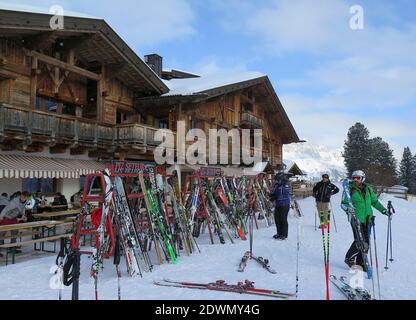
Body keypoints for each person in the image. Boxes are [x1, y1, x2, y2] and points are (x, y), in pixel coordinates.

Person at [341, 170, 388, 270]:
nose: (355, 179)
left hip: (368, 219)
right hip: (355, 219)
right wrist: (348, 209)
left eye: (358, 178)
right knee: (360, 241)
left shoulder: (368, 189)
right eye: (353, 177)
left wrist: (384, 210)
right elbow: (343, 204)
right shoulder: (349, 189)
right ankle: (349, 258)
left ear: (363, 178)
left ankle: (361, 262)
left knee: (366, 242)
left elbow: (375, 202)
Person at [0, 191, 29, 255]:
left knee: (15, 232)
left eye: (25, 197)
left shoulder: (25, 201)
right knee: (1, 233)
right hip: (6, 217)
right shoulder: (14, 202)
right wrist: (1, 217)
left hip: (13, 218)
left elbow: (23, 208)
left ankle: (12, 248)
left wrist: (23, 215)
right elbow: (6, 209)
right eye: (22, 197)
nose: (23, 198)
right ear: (21, 196)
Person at [270, 172, 292, 240]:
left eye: (277, 179)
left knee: (283, 219)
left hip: (285, 204)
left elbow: (287, 192)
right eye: (276, 179)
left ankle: (284, 234)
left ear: (281, 178)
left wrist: (276, 196)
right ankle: (279, 233)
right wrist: (271, 195)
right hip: (278, 204)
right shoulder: (277, 185)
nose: (276, 180)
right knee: (277, 219)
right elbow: (274, 192)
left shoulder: (286, 184)